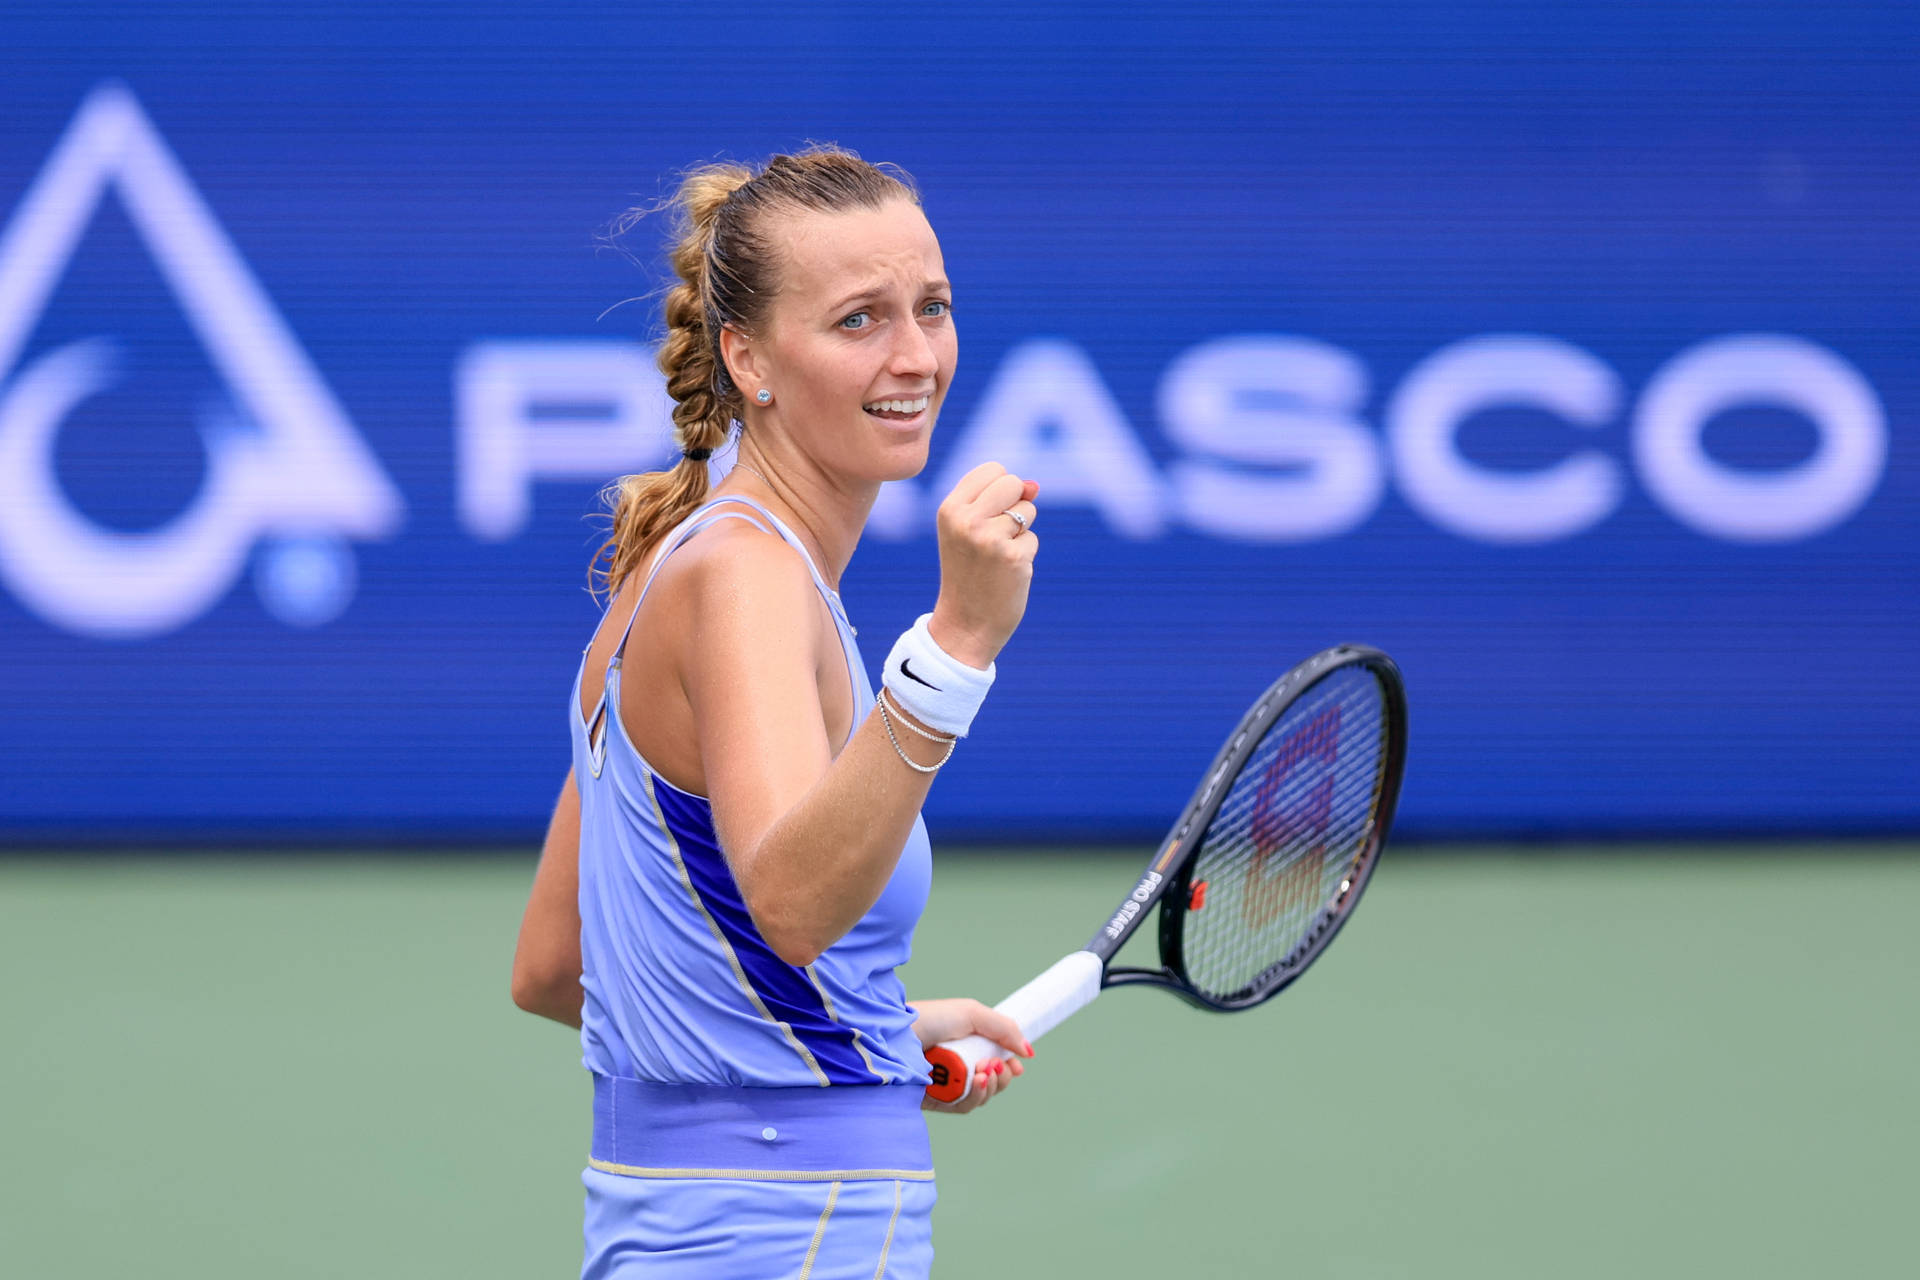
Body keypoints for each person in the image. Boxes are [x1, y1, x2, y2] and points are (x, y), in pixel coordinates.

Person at [509, 147, 1041, 1279]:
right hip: (789, 1232)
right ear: (748, 357)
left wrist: (878, 1035)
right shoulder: (747, 578)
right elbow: (792, 903)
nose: (916, 355)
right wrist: (955, 648)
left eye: (932, 308)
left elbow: (558, 964)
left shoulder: (675, 574)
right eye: (859, 320)